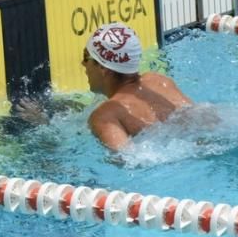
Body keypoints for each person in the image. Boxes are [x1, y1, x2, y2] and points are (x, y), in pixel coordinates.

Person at [82, 22, 216, 151]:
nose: (83, 63)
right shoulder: (159, 81)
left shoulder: (104, 116)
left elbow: (126, 161)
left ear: (102, 67)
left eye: (86, 57)